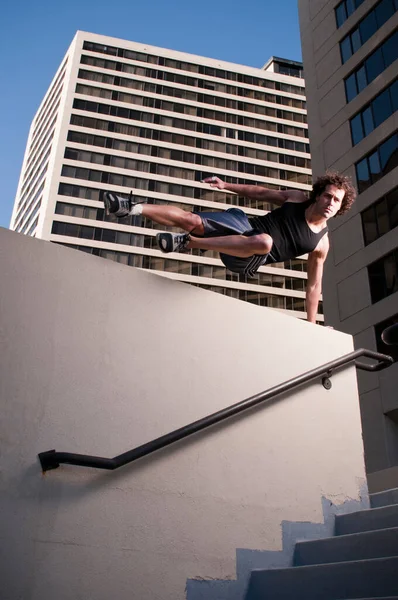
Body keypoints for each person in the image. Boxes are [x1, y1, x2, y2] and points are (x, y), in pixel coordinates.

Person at [101, 172, 356, 323]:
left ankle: (188, 242)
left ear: (340, 207)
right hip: (241, 227)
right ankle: (131, 207)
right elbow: (260, 192)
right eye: (327, 195)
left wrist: (312, 325)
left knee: (265, 242)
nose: (330, 202)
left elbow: (314, 286)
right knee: (191, 219)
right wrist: (226, 186)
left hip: (247, 258)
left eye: (336, 200)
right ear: (318, 194)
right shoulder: (297, 198)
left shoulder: (321, 243)